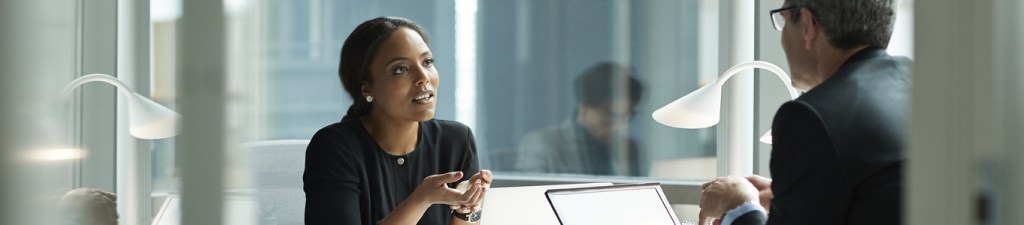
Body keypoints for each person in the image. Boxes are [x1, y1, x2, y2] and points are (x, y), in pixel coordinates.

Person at [698, 0, 911, 225]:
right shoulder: (919, 83)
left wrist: (740, 206)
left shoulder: (809, 117)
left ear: (809, 25)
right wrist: (792, 198)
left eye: (785, 21)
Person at [303, 17, 492, 225]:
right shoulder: (334, 148)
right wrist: (422, 199)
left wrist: (468, 207)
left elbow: (467, 220)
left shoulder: (456, 140)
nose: (423, 77)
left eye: (427, 62)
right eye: (401, 69)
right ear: (366, 87)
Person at [515, 62, 644, 176]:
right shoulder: (543, 144)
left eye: (626, 116)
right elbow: (531, 196)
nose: (618, 125)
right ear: (583, 107)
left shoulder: (629, 148)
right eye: (609, 114)